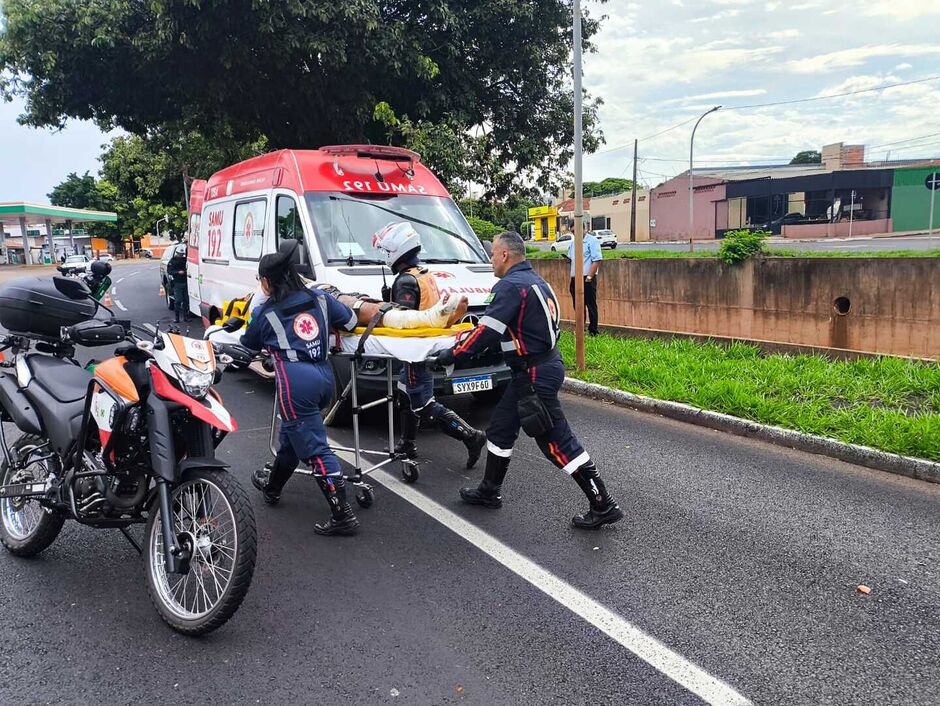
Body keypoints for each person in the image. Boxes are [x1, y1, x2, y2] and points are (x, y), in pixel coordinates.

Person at [431, 232, 623, 529]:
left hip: (534, 373)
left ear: (505, 255)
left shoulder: (508, 286)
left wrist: (453, 354)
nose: (491, 259)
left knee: (555, 441)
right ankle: (489, 491)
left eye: (493, 253)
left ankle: (603, 503)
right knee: (500, 429)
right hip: (538, 367)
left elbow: (487, 331)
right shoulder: (535, 280)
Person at [243, 240, 362, 536]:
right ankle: (272, 488)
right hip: (325, 378)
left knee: (314, 448)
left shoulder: (266, 313)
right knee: (292, 438)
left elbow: (248, 343)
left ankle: (342, 515)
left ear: (266, 282)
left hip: (295, 383)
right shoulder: (321, 298)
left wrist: (255, 306)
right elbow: (351, 321)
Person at [372, 222, 486, 468]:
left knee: (422, 403)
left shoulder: (405, 281)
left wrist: (386, 309)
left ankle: (470, 436)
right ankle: (407, 443)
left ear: (396, 250)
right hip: (425, 346)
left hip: (414, 350)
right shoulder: (423, 274)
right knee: (405, 393)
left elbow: (405, 319)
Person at [566, 229, 602, 336]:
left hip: (587, 277)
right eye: (572, 231)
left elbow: (597, 260)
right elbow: (571, 258)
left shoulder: (592, 241)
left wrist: (589, 277)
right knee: (578, 306)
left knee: (590, 304)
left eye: (575, 230)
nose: (574, 233)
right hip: (575, 278)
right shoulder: (573, 244)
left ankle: (593, 330)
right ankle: (580, 329)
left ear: (584, 229)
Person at [167, 245, 190, 323]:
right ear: (177, 253)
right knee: (178, 300)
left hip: (185, 282)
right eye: (180, 254)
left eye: (182, 254)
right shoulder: (172, 261)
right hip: (177, 283)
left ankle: (186, 317)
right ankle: (177, 318)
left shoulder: (184, 260)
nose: (181, 256)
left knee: (186, 300)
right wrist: (177, 272)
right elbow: (169, 271)